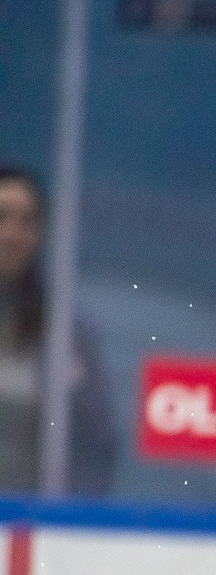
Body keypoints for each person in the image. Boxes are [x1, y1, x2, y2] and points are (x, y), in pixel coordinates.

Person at [0, 166, 116, 495]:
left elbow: (97, 440)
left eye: (26, 221)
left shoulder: (64, 332)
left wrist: (69, 515)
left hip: (34, 515)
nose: (11, 234)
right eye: (1, 217)